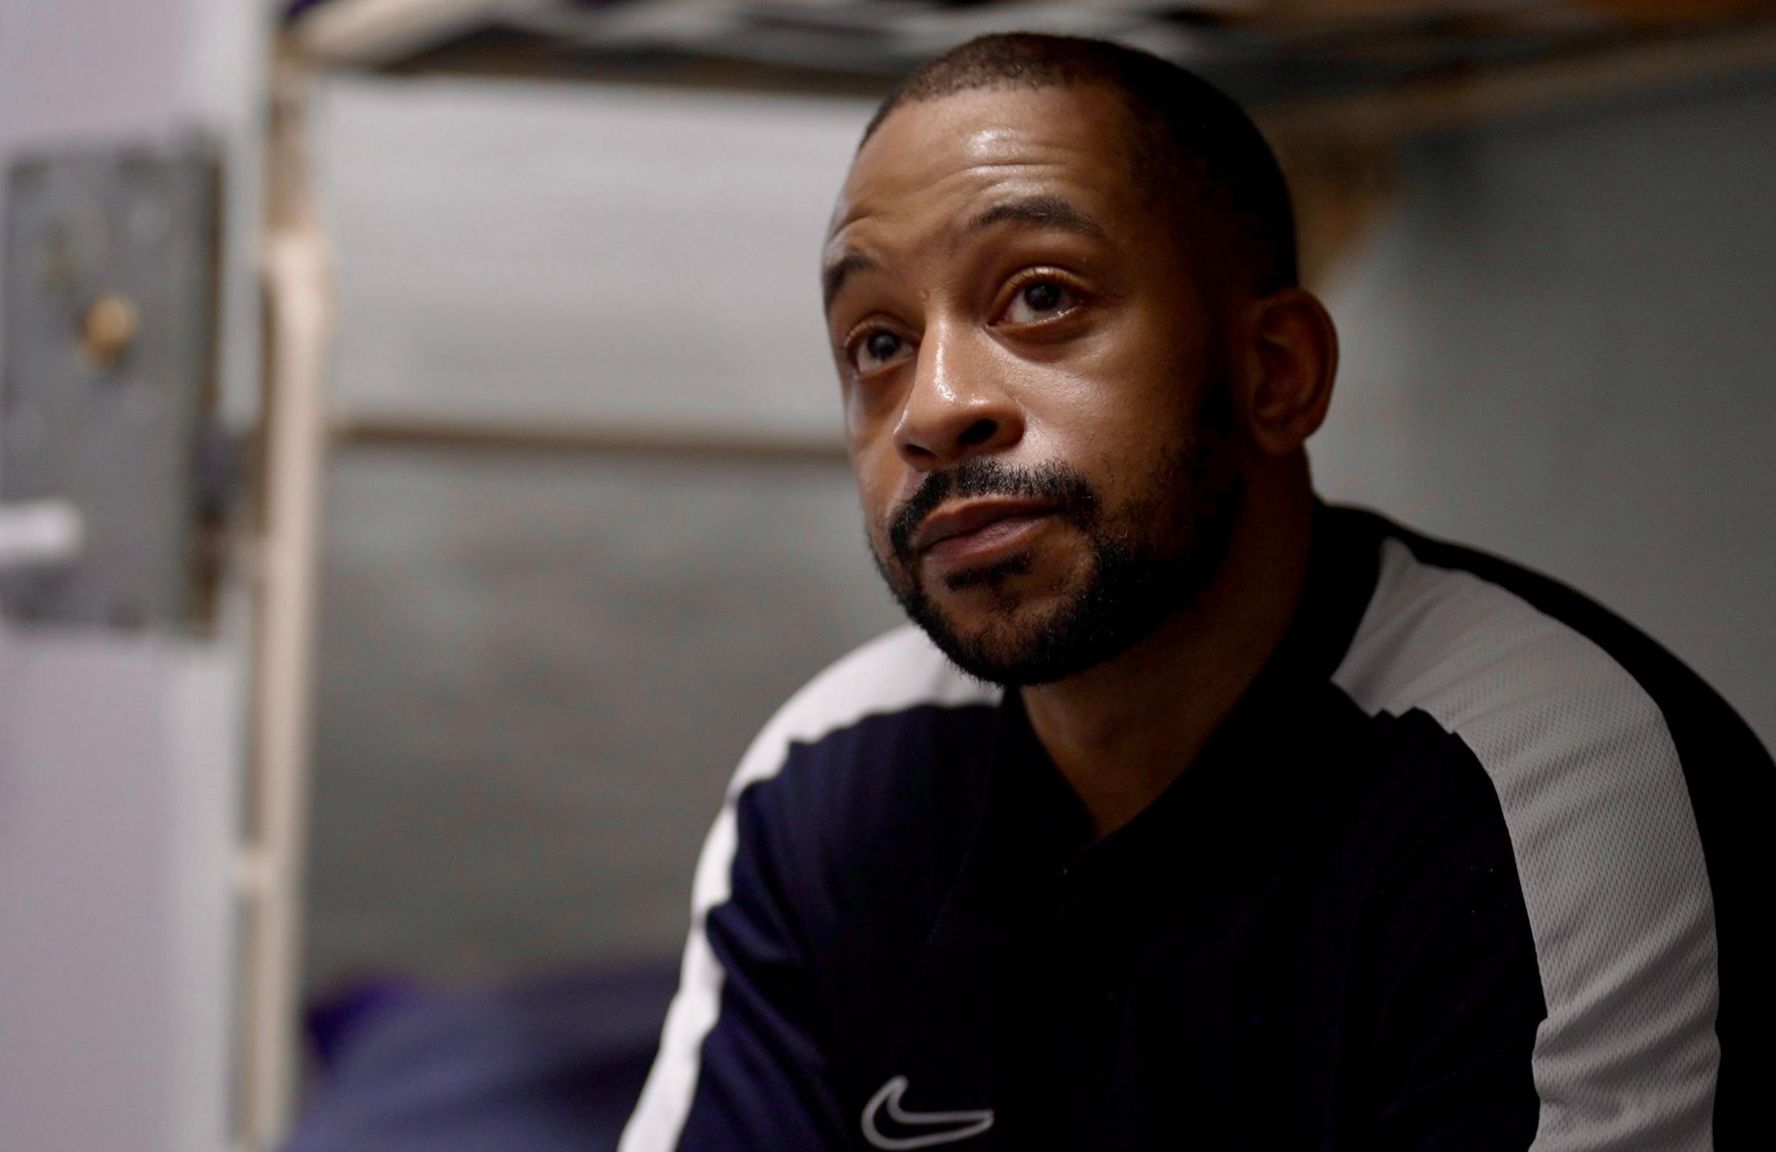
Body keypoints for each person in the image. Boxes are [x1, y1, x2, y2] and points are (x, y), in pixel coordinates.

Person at [620, 33, 1759, 1151]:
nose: (932, 407)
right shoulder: (829, 784)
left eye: (1038, 295)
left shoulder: (1541, 794)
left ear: (1274, 373)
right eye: (875, 342)